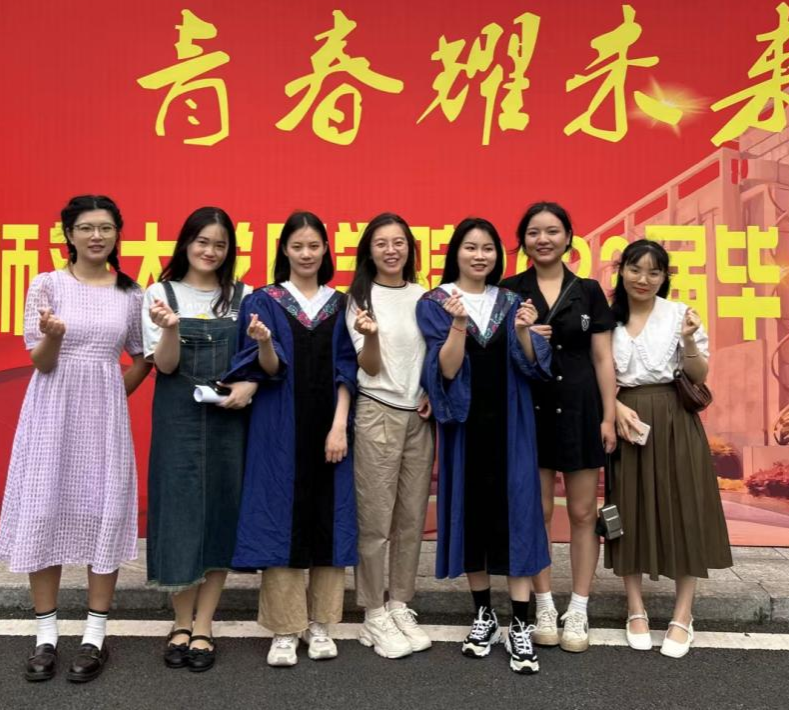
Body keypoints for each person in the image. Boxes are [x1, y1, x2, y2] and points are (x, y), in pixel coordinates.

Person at [0, 194, 150, 684]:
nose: (96, 236)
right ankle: (46, 636)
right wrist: (55, 336)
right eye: (86, 228)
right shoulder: (47, 285)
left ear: (118, 234)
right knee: (46, 509)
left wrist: (112, 395)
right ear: (68, 234)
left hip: (103, 421)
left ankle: (95, 636)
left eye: (105, 228)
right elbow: (40, 361)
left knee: (103, 512)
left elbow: (142, 357)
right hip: (51, 413)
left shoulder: (131, 293)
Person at [223, 211, 359, 668]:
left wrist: (339, 425)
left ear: (326, 250)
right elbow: (268, 368)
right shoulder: (264, 301)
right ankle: (285, 629)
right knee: (279, 517)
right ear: (284, 249)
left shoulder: (341, 304)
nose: (306, 254)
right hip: (278, 427)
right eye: (297, 246)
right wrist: (263, 341)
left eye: (313, 246)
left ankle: (321, 624)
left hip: (330, 427)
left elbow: (347, 369)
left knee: (328, 519)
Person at [416, 218, 550, 675]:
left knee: (518, 516)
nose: (479, 256)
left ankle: (520, 624)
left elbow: (534, 367)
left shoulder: (511, 302)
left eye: (488, 248)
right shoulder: (435, 303)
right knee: (471, 516)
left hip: (511, 423)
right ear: (455, 252)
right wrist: (458, 324)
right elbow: (447, 370)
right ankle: (483, 615)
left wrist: (525, 332)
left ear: (498, 255)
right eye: (470, 247)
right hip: (465, 427)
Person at [143, 207, 257, 672]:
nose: (210, 251)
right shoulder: (160, 293)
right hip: (178, 419)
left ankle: (205, 623)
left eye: (220, 244)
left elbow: (255, 361)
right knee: (180, 514)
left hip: (229, 421)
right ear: (186, 243)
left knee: (219, 514)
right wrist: (170, 327)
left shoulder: (244, 297)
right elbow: (165, 366)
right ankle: (180, 622)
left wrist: (249, 387)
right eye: (202, 241)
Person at [606, 239, 732, 659]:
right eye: (635, 269)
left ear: (664, 277)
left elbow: (698, 374)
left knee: (685, 509)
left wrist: (689, 341)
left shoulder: (679, 314)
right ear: (621, 270)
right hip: (627, 420)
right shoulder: (607, 317)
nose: (643, 279)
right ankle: (635, 608)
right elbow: (597, 371)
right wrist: (614, 407)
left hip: (675, 420)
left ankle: (683, 614)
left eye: (653, 272)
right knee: (627, 511)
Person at [501, 202, 616, 652]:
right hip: (530, 411)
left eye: (552, 231)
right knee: (539, 512)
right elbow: (497, 355)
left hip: (581, 409)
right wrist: (523, 338)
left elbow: (602, 357)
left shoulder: (588, 291)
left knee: (584, 513)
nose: (543, 239)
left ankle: (579, 607)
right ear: (523, 241)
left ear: (569, 237)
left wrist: (608, 415)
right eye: (533, 232)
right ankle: (545, 605)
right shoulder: (510, 290)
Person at [346, 213, 434, 660]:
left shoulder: (424, 296)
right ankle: (373, 612)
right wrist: (372, 336)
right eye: (381, 243)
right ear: (369, 250)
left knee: (410, 518)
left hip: (419, 417)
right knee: (375, 521)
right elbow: (370, 366)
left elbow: (433, 355)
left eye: (399, 242)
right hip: (377, 411)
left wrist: (432, 392)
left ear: (410, 248)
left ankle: (399, 604)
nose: (391, 250)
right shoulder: (359, 299)